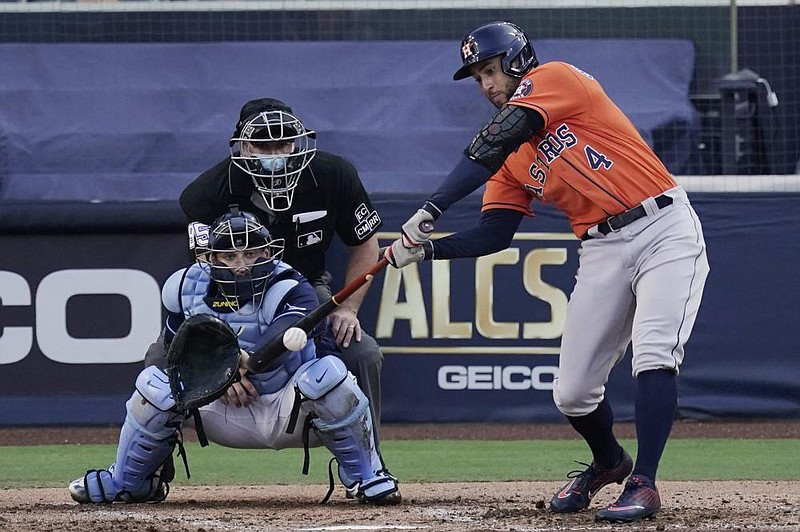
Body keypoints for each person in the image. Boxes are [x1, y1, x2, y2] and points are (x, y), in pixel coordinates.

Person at [385, 21, 709, 523]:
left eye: (491, 69)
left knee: (654, 352)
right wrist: (425, 252)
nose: (487, 84)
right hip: (601, 247)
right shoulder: (510, 160)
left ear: (517, 61)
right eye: (477, 77)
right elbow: (495, 234)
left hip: (662, 225)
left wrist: (432, 206)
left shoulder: (557, 78)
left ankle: (643, 482)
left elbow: (497, 138)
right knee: (573, 392)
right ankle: (609, 461)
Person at [69, 209, 400, 505]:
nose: (241, 266)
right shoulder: (183, 288)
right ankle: (129, 483)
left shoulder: (292, 286)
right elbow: (176, 353)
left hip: (285, 410)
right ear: (210, 257)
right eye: (229, 255)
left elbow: (282, 335)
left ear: (268, 252)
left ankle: (365, 475)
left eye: (252, 253)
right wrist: (217, 378)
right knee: (153, 385)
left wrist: (236, 366)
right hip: (216, 406)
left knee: (329, 374)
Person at [147, 97, 386, 441]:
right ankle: (146, 471)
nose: (275, 154)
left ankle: (370, 463)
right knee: (158, 358)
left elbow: (365, 243)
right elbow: (203, 276)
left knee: (364, 353)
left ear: (298, 142)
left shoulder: (335, 176)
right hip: (230, 296)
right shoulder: (204, 194)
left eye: (283, 143)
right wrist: (219, 362)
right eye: (262, 144)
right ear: (243, 146)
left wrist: (348, 308)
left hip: (305, 293)